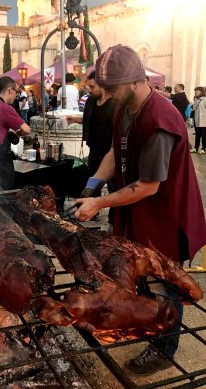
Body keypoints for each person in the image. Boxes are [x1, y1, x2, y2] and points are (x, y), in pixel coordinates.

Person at [75, 45, 206, 375]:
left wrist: (101, 202)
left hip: (164, 218)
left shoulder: (160, 119)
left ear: (135, 81)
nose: (106, 94)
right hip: (138, 216)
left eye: (111, 88)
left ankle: (164, 349)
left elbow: (148, 186)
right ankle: (147, 327)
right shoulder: (125, 106)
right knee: (142, 279)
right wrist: (93, 183)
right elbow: (112, 151)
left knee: (167, 289)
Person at [67, 70, 116, 222]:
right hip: (94, 148)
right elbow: (90, 119)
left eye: (92, 86)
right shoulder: (91, 101)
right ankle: (90, 213)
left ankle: (115, 218)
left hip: (110, 151)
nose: (89, 89)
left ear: (102, 86)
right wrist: (76, 120)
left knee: (114, 187)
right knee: (92, 182)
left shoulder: (114, 104)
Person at [190, 86, 206, 154]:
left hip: (203, 121)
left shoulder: (205, 99)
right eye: (195, 90)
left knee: (204, 136)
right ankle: (196, 148)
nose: (195, 92)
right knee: (197, 135)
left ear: (201, 91)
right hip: (196, 121)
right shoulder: (196, 100)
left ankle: (203, 148)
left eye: (197, 90)